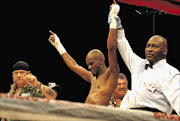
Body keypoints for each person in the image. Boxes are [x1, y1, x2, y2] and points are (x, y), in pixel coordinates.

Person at [108, 3, 180, 115]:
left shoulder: (171, 73)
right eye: (148, 46)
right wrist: (117, 24)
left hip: (154, 115)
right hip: (132, 114)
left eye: (155, 46)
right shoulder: (139, 65)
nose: (149, 49)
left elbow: (178, 99)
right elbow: (124, 46)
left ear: (165, 51)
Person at [48, 2, 120, 106]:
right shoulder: (92, 77)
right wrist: (58, 45)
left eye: (91, 63)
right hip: (85, 113)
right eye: (88, 65)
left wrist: (113, 17)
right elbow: (74, 66)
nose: (89, 67)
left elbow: (111, 48)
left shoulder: (111, 74)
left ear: (101, 61)